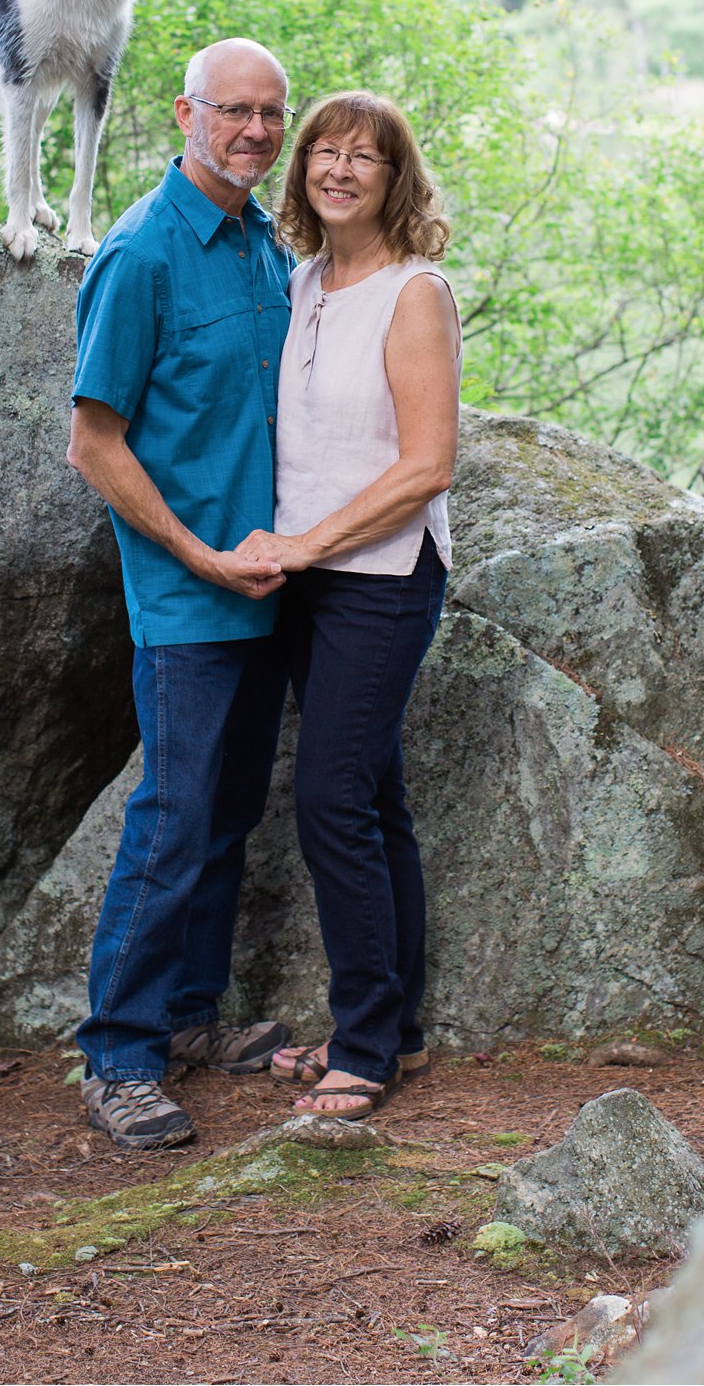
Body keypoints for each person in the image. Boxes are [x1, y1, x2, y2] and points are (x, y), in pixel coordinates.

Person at [65, 36, 297, 1151]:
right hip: (189, 596)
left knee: (229, 811)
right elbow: (93, 443)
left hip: (271, 588)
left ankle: (193, 1018)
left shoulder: (265, 243)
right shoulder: (142, 253)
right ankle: (117, 1054)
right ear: (184, 113)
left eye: (269, 114)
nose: (253, 131)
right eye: (232, 111)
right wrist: (197, 557)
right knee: (172, 817)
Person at [235, 90, 461, 1119]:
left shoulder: (416, 292)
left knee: (329, 797)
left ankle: (362, 1045)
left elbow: (427, 465)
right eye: (320, 151)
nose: (337, 168)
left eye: (361, 156)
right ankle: (397, 1030)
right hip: (306, 580)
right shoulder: (303, 281)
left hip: (380, 577)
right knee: (373, 801)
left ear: (392, 177)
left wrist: (308, 545)